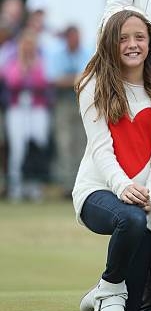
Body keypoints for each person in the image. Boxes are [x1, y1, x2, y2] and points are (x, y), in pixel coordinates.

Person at [72, 8, 151, 311]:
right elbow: (102, 150)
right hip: (99, 191)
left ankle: (105, 287)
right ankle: (110, 290)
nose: (132, 44)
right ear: (110, 45)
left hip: (144, 202)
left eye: (139, 37)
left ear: (149, 43)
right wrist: (124, 188)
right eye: (123, 39)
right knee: (129, 217)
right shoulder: (94, 87)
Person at [1, 29, 52, 201]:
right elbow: (12, 80)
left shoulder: (42, 61)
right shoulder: (13, 61)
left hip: (37, 108)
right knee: (18, 147)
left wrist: (33, 65)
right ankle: (16, 186)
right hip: (17, 109)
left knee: (37, 144)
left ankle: (34, 185)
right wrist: (23, 65)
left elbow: (44, 80)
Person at [48, 25, 91, 196]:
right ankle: (66, 184)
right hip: (63, 102)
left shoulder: (87, 51)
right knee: (64, 142)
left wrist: (69, 79)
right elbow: (53, 79)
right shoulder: (58, 54)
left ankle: (80, 182)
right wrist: (74, 79)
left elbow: (87, 76)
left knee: (82, 142)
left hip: (82, 101)